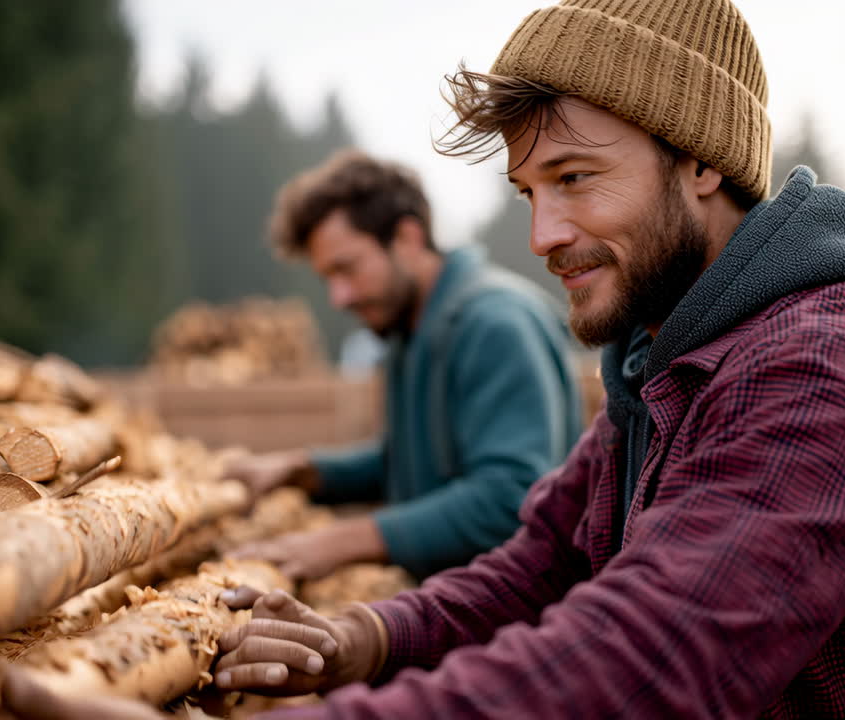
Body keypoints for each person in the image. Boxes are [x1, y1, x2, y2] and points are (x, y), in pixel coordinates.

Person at [4, 0, 845, 717]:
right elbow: (534, 566)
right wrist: (363, 639)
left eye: (575, 177)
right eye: (529, 191)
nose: (541, 233)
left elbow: (654, 659)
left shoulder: (835, 360)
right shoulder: (665, 359)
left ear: (702, 160)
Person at [222, 149, 582, 581]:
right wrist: (302, 471)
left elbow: (510, 495)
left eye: (347, 269)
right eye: (328, 279)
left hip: (521, 625)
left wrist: (343, 541)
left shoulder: (494, 324)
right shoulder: (407, 328)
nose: (340, 297)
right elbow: (418, 464)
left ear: (407, 239)